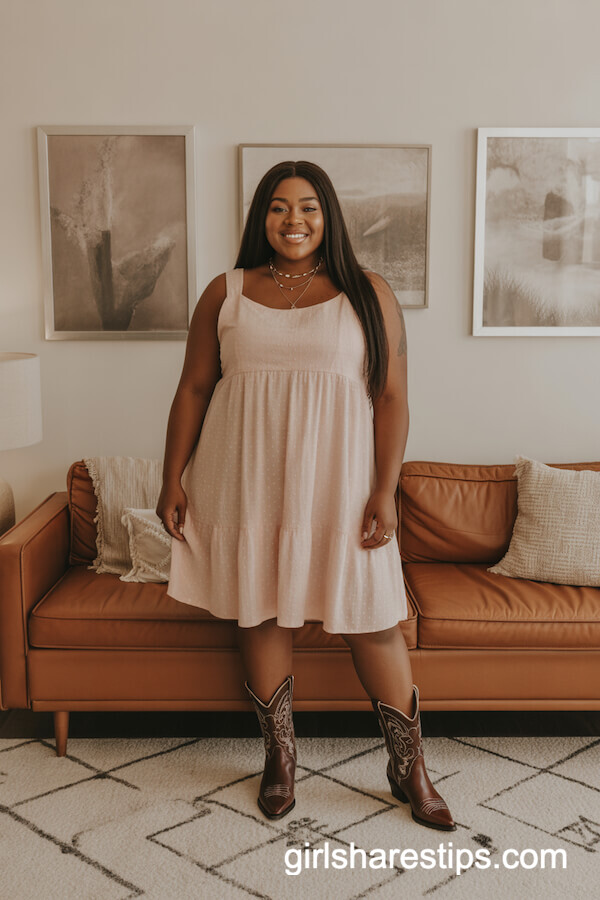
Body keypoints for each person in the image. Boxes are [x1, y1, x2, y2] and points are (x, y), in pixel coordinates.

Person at [156, 160, 455, 832]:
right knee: (261, 613)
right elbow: (194, 390)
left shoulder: (368, 292)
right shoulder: (225, 292)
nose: (295, 221)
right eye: (280, 208)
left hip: (342, 487)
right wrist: (170, 476)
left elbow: (393, 398)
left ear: (330, 216)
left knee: (373, 619)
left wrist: (385, 488)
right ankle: (279, 760)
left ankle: (409, 766)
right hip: (245, 480)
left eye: (310, 207)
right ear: (261, 216)